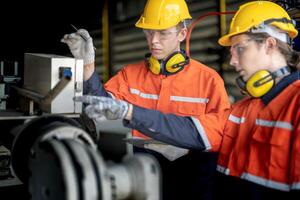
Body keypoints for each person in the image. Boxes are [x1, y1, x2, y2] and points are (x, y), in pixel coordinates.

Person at [61, 0, 230, 199]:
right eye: (149, 32)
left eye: (163, 33)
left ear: (182, 34)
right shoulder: (129, 75)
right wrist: (88, 67)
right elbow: (102, 108)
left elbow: (219, 137)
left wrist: (186, 145)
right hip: (139, 181)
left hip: (190, 185)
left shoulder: (209, 80)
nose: (154, 40)